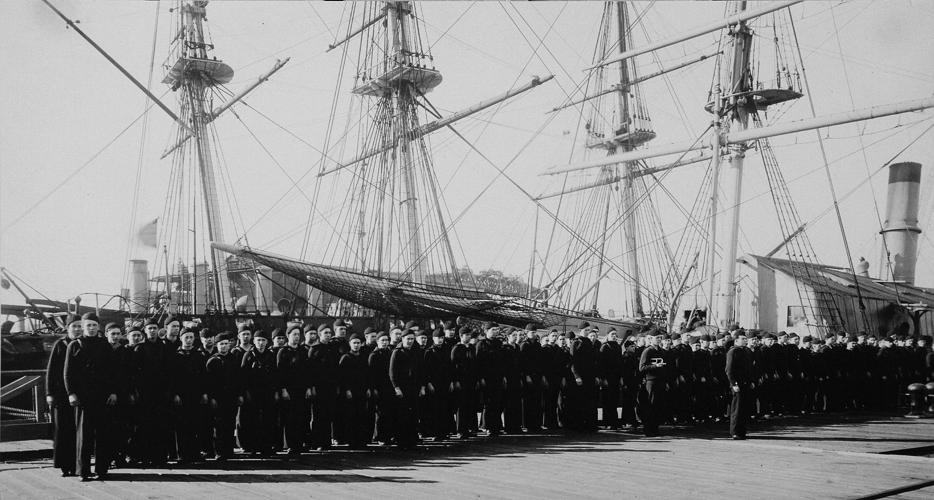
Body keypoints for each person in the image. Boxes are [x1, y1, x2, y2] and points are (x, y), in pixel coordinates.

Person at [64, 313, 117, 481]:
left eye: (94, 325)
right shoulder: (74, 345)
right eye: (88, 325)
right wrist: (71, 393)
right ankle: (84, 471)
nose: (91, 328)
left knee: (103, 434)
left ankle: (102, 469)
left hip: (102, 396)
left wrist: (113, 391)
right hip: (83, 397)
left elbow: (113, 372)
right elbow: (67, 372)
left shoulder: (105, 345)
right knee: (84, 435)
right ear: (83, 326)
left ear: (98, 327)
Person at [46, 314, 81, 477]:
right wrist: (49, 393)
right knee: (62, 430)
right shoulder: (60, 344)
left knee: (77, 430)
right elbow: (51, 371)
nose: (77, 329)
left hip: (78, 393)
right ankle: (64, 465)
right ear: (68, 328)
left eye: (80, 326)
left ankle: (77, 465)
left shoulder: (83, 344)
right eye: (74, 326)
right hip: (61, 395)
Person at [170, 328, 208, 463]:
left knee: (195, 424)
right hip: (181, 395)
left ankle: (194, 452)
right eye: (186, 337)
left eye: (191, 337)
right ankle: (182, 454)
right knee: (181, 425)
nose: (189, 340)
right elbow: (172, 378)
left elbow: (204, 376)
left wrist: (204, 393)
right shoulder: (175, 356)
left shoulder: (199, 356)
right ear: (181, 338)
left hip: (195, 394)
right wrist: (175, 394)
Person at [205, 331, 242, 461]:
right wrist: (212, 398)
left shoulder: (233, 360)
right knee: (218, 426)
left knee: (229, 424)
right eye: (221, 344)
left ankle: (228, 450)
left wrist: (239, 395)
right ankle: (219, 451)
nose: (224, 346)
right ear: (217, 345)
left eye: (226, 344)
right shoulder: (213, 361)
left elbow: (238, 380)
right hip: (218, 398)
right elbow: (209, 382)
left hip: (231, 397)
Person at [241, 329, 277, 457]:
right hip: (253, 392)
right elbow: (244, 376)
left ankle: (266, 446)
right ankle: (253, 446)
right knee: (253, 420)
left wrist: (275, 391)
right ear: (254, 341)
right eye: (258, 340)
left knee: (268, 420)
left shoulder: (271, 355)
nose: (261, 343)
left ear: (267, 342)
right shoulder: (249, 355)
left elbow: (275, 375)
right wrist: (246, 393)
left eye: (263, 341)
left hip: (267, 392)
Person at [277, 325, 310, 457]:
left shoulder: (302, 350)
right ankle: (291, 445)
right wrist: (283, 389)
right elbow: (280, 372)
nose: (296, 336)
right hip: (289, 390)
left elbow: (307, 371)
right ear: (288, 336)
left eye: (298, 334)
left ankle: (299, 444)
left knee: (301, 417)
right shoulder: (283, 352)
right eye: (294, 334)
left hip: (301, 389)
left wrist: (308, 387)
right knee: (290, 418)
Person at [308, 323, 340, 450]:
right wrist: (312, 387)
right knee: (318, 415)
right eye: (325, 333)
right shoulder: (314, 350)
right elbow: (310, 371)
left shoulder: (333, 349)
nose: (327, 335)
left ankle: (326, 441)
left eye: (329, 333)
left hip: (330, 387)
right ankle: (317, 442)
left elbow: (336, 369)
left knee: (328, 415)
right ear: (319, 334)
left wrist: (337, 385)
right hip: (319, 387)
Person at [389, 328, 421, 449]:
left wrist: (421, 386)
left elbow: (420, 369)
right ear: (402, 339)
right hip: (402, 388)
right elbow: (392, 372)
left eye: (412, 339)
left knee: (414, 414)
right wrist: (396, 387)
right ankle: (401, 440)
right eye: (408, 339)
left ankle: (412, 439)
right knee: (402, 415)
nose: (410, 341)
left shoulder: (415, 351)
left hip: (413, 387)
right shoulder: (397, 352)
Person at [338, 333, 370, 448]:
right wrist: (346, 390)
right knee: (351, 415)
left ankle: (361, 440)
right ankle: (351, 440)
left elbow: (367, 375)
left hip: (361, 390)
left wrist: (367, 389)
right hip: (350, 391)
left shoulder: (363, 357)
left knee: (361, 415)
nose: (356, 345)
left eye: (358, 343)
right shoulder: (346, 358)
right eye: (354, 343)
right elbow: (342, 376)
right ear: (350, 344)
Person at [368, 331, 396, 445]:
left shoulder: (390, 353)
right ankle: (380, 436)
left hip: (388, 387)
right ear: (377, 342)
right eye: (382, 340)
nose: (385, 343)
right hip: (379, 387)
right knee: (380, 413)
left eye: (386, 340)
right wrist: (373, 388)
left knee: (389, 412)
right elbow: (371, 374)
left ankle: (388, 435)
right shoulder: (373, 355)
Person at [638, 331, 668, 437]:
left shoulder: (662, 351)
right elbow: (642, 368)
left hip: (660, 381)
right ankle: (648, 429)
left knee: (658, 405)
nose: (659, 340)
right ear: (651, 339)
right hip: (651, 381)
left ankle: (655, 428)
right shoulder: (648, 351)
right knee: (650, 405)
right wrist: (655, 366)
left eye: (660, 338)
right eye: (657, 338)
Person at [725, 333, 754, 440]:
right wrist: (733, 384)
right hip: (737, 384)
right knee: (737, 409)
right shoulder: (733, 351)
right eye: (743, 339)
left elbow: (749, 368)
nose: (745, 340)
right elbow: (729, 370)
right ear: (736, 341)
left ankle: (742, 431)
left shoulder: (746, 351)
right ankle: (735, 432)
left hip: (746, 383)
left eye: (746, 339)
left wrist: (751, 381)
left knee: (744, 409)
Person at [450, 326, 477, 438]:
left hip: (471, 380)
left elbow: (475, 364)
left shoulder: (471, 347)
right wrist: (455, 381)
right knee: (461, 406)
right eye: (467, 335)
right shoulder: (456, 348)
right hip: (461, 380)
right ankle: (461, 430)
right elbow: (453, 366)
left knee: (470, 404)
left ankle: (470, 428)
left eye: (470, 335)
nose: (469, 337)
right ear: (461, 336)